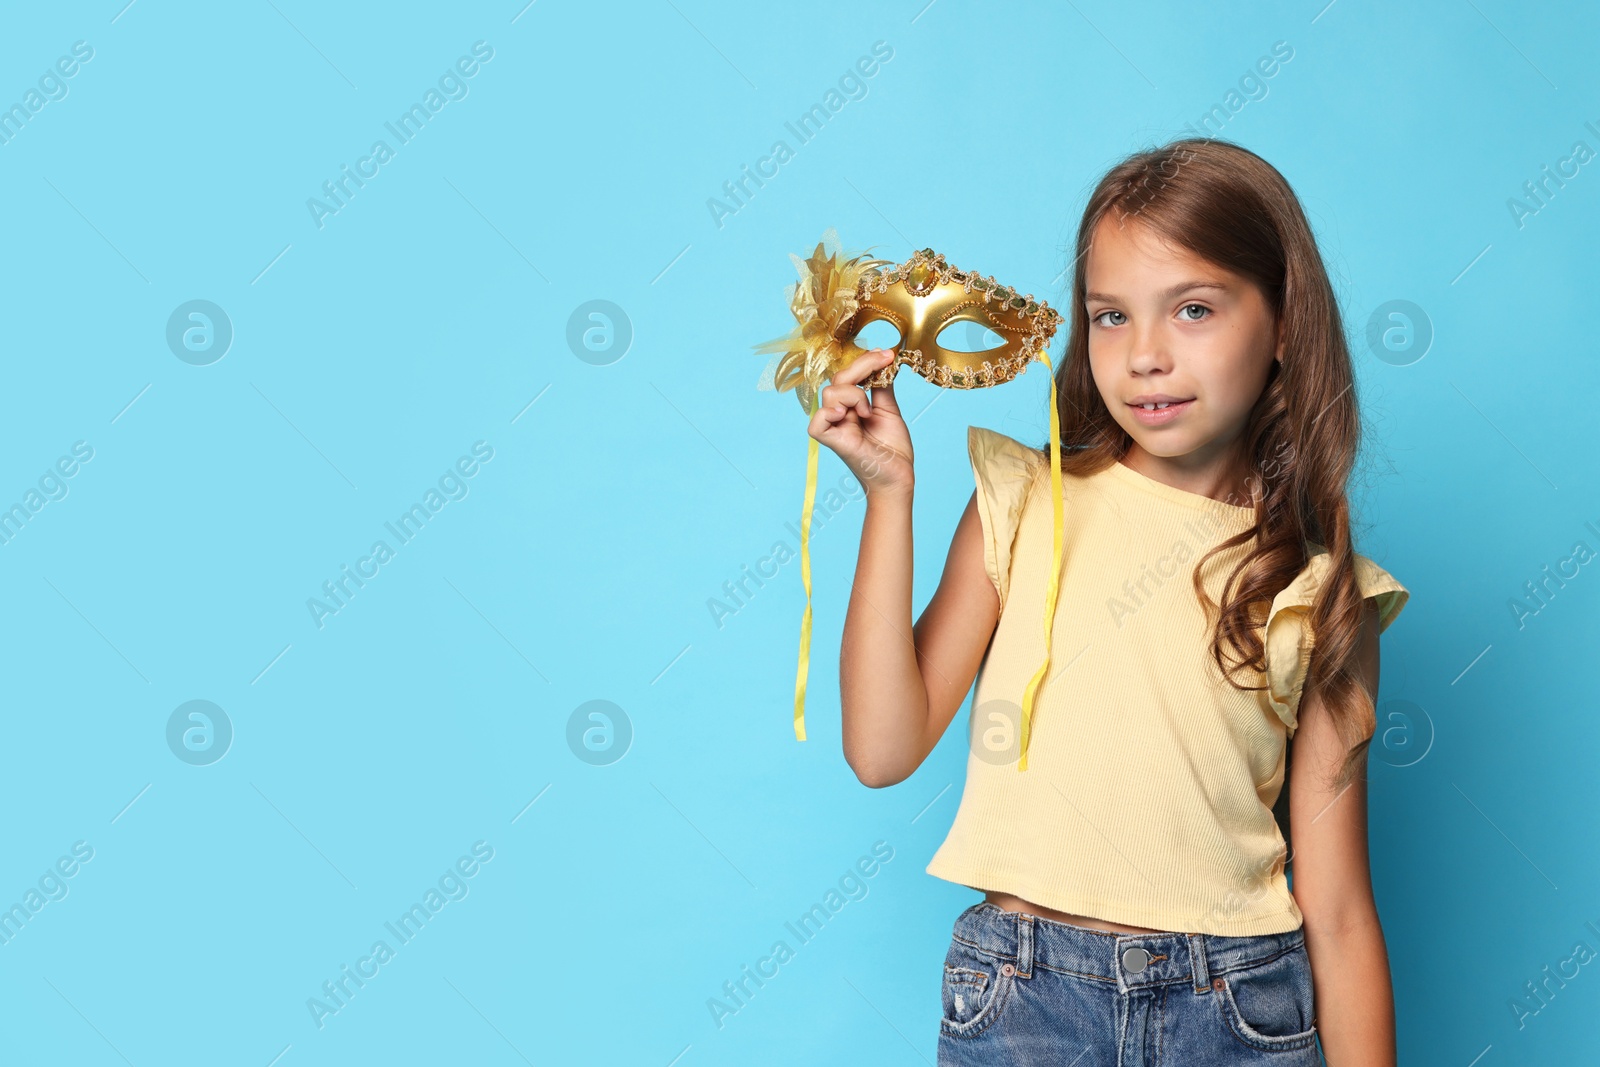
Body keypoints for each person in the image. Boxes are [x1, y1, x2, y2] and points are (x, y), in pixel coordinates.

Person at [809, 138, 1410, 1065]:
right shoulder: (1024, 501)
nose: (1145, 357)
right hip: (1024, 1001)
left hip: (1240, 1007)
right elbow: (883, 747)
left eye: (1195, 309)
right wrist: (889, 498)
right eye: (1111, 317)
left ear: (1286, 323)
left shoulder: (1320, 591)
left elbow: (1336, 912)